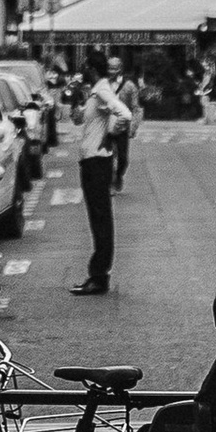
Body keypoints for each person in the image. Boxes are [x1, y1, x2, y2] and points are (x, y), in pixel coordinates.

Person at [71, 76, 121, 296]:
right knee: (97, 219)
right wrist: (76, 99)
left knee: (101, 219)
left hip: (97, 162)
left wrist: (110, 135)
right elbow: (79, 119)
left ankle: (100, 276)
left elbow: (124, 113)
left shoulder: (102, 91)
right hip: (91, 161)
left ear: (92, 69)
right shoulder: (95, 92)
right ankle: (98, 275)